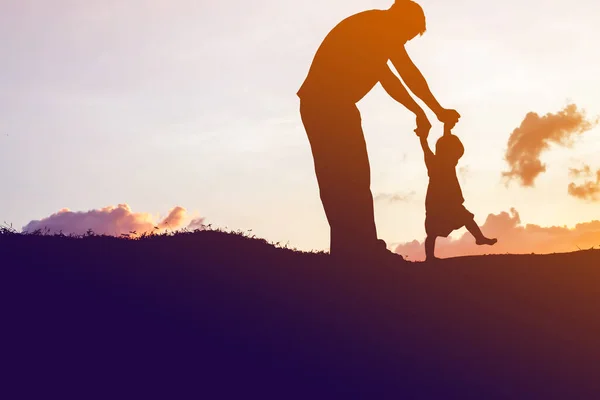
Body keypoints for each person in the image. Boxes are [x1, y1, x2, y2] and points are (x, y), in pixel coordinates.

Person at [297, 0, 460, 263]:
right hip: (328, 104)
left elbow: (390, 78)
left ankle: (354, 250)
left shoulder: (373, 31)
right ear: (400, 21)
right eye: (406, 36)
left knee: (347, 178)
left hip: (330, 105)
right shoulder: (377, 27)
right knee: (347, 177)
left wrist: (424, 111)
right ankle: (358, 252)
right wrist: (434, 110)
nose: (404, 43)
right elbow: (406, 73)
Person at [419, 123, 498, 261]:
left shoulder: (447, 162)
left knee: (467, 218)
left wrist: (446, 125)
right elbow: (426, 148)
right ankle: (430, 257)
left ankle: (479, 238)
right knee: (432, 232)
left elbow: (445, 142)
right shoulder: (435, 162)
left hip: (451, 202)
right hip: (437, 203)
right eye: (454, 156)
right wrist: (422, 137)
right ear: (447, 154)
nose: (456, 160)